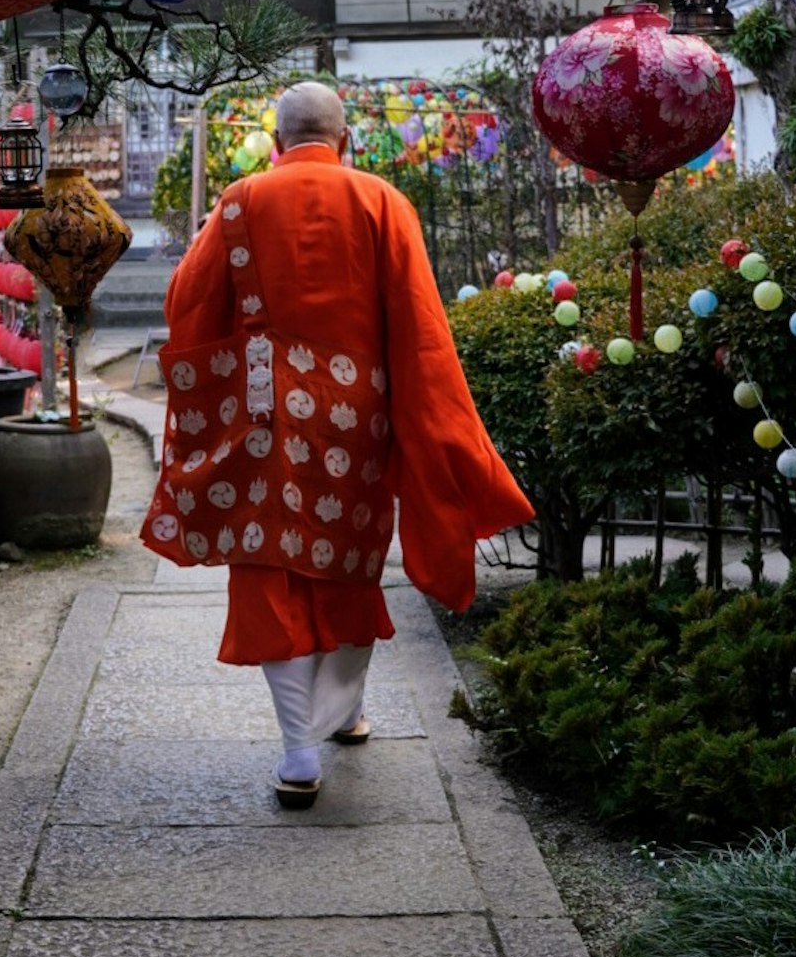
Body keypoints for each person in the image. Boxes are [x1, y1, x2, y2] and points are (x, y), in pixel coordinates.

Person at [151, 81, 533, 807]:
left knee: (273, 566)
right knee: (347, 562)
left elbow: (187, 304)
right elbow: (419, 322)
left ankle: (301, 750)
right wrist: (427, 419)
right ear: (347, 141)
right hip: (354, 416)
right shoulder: (382, 202)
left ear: (275, 143)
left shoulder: (240, 201)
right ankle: (340, 714)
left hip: (265, 413)